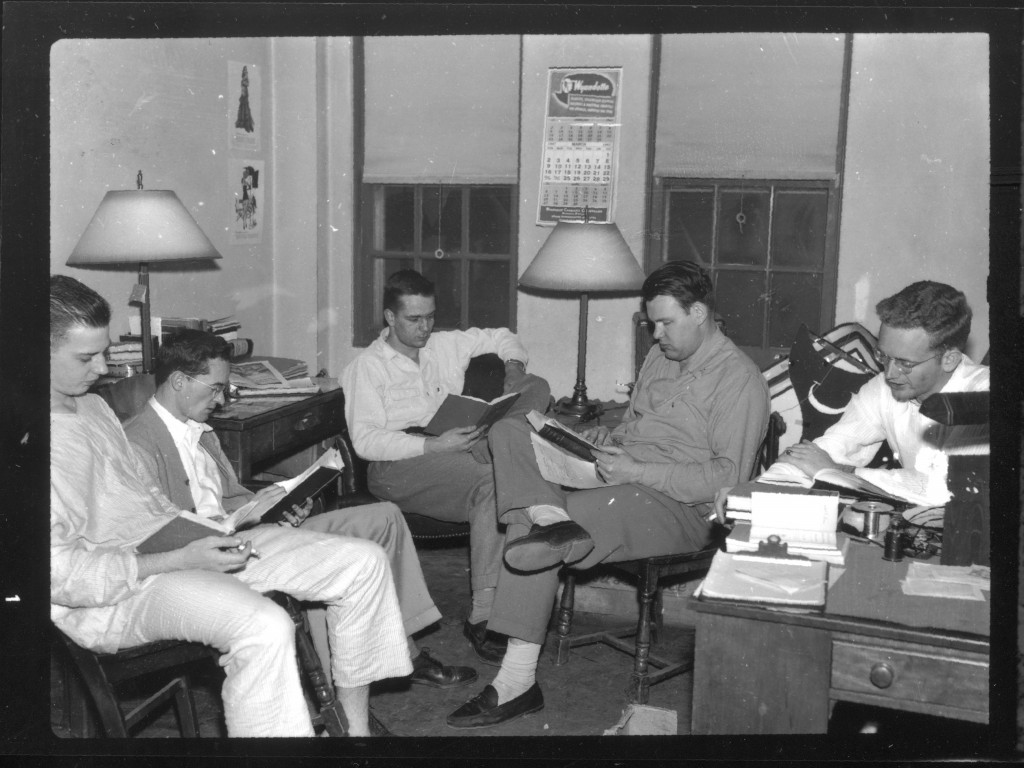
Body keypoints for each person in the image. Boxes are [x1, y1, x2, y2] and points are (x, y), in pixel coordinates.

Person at [49, 275, 411, 737]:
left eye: (103, 352)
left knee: (363, 562)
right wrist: (179, 556)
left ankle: (354, 738)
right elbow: (59, 577)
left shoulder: (94, 409)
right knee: (264, 625)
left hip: (170, 550)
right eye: (86, 357)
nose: (103, 368)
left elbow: (144, 502)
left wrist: (216, 526)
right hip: (114, 595)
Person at [446, 260, 770, 728]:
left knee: (538, 526)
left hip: (676, 508)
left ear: (699, 313)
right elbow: (637, 424)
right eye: (651, 323)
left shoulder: (739, 380)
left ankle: (515, 681)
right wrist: (605, 436)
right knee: (512, 431)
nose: (656, 335)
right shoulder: (663, 357)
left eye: (666, 323)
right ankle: (548, 514)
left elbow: (727, 478)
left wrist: (637, 469)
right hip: (618, 474)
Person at [123, 330, 478, 712]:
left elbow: (231, 498)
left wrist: (277, 505)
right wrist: (245, 520)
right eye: (216, 389)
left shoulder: (200, 433)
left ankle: (404, 647)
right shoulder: (139, 444)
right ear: (179, 381)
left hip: (254, 533)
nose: (222, 399)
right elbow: (161, 536)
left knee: (385, 517)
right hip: (215, 558)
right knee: (343, 565)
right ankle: (345, 697)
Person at [340, 269, 552, 667]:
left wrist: (514, 368)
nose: (425, 328)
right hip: (401, 462)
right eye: (414, 319)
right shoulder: (366, 368)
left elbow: (502, 335)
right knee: (496, 482)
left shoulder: (445, 345)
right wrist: (432, 444)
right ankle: (484, 613)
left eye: (430, 317)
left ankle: (520, 601)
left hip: (456, 445)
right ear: (390, 318)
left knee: (535, 391)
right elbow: (365, 440)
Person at [715, 280, 989, 518]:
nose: (890, 373)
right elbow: (824, 451)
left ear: (950, 358)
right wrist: (753, 493)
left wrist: (840, 471)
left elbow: (941, 490)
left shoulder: (985, 395)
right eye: (884, 356)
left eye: (905, 363)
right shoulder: (885, 387)